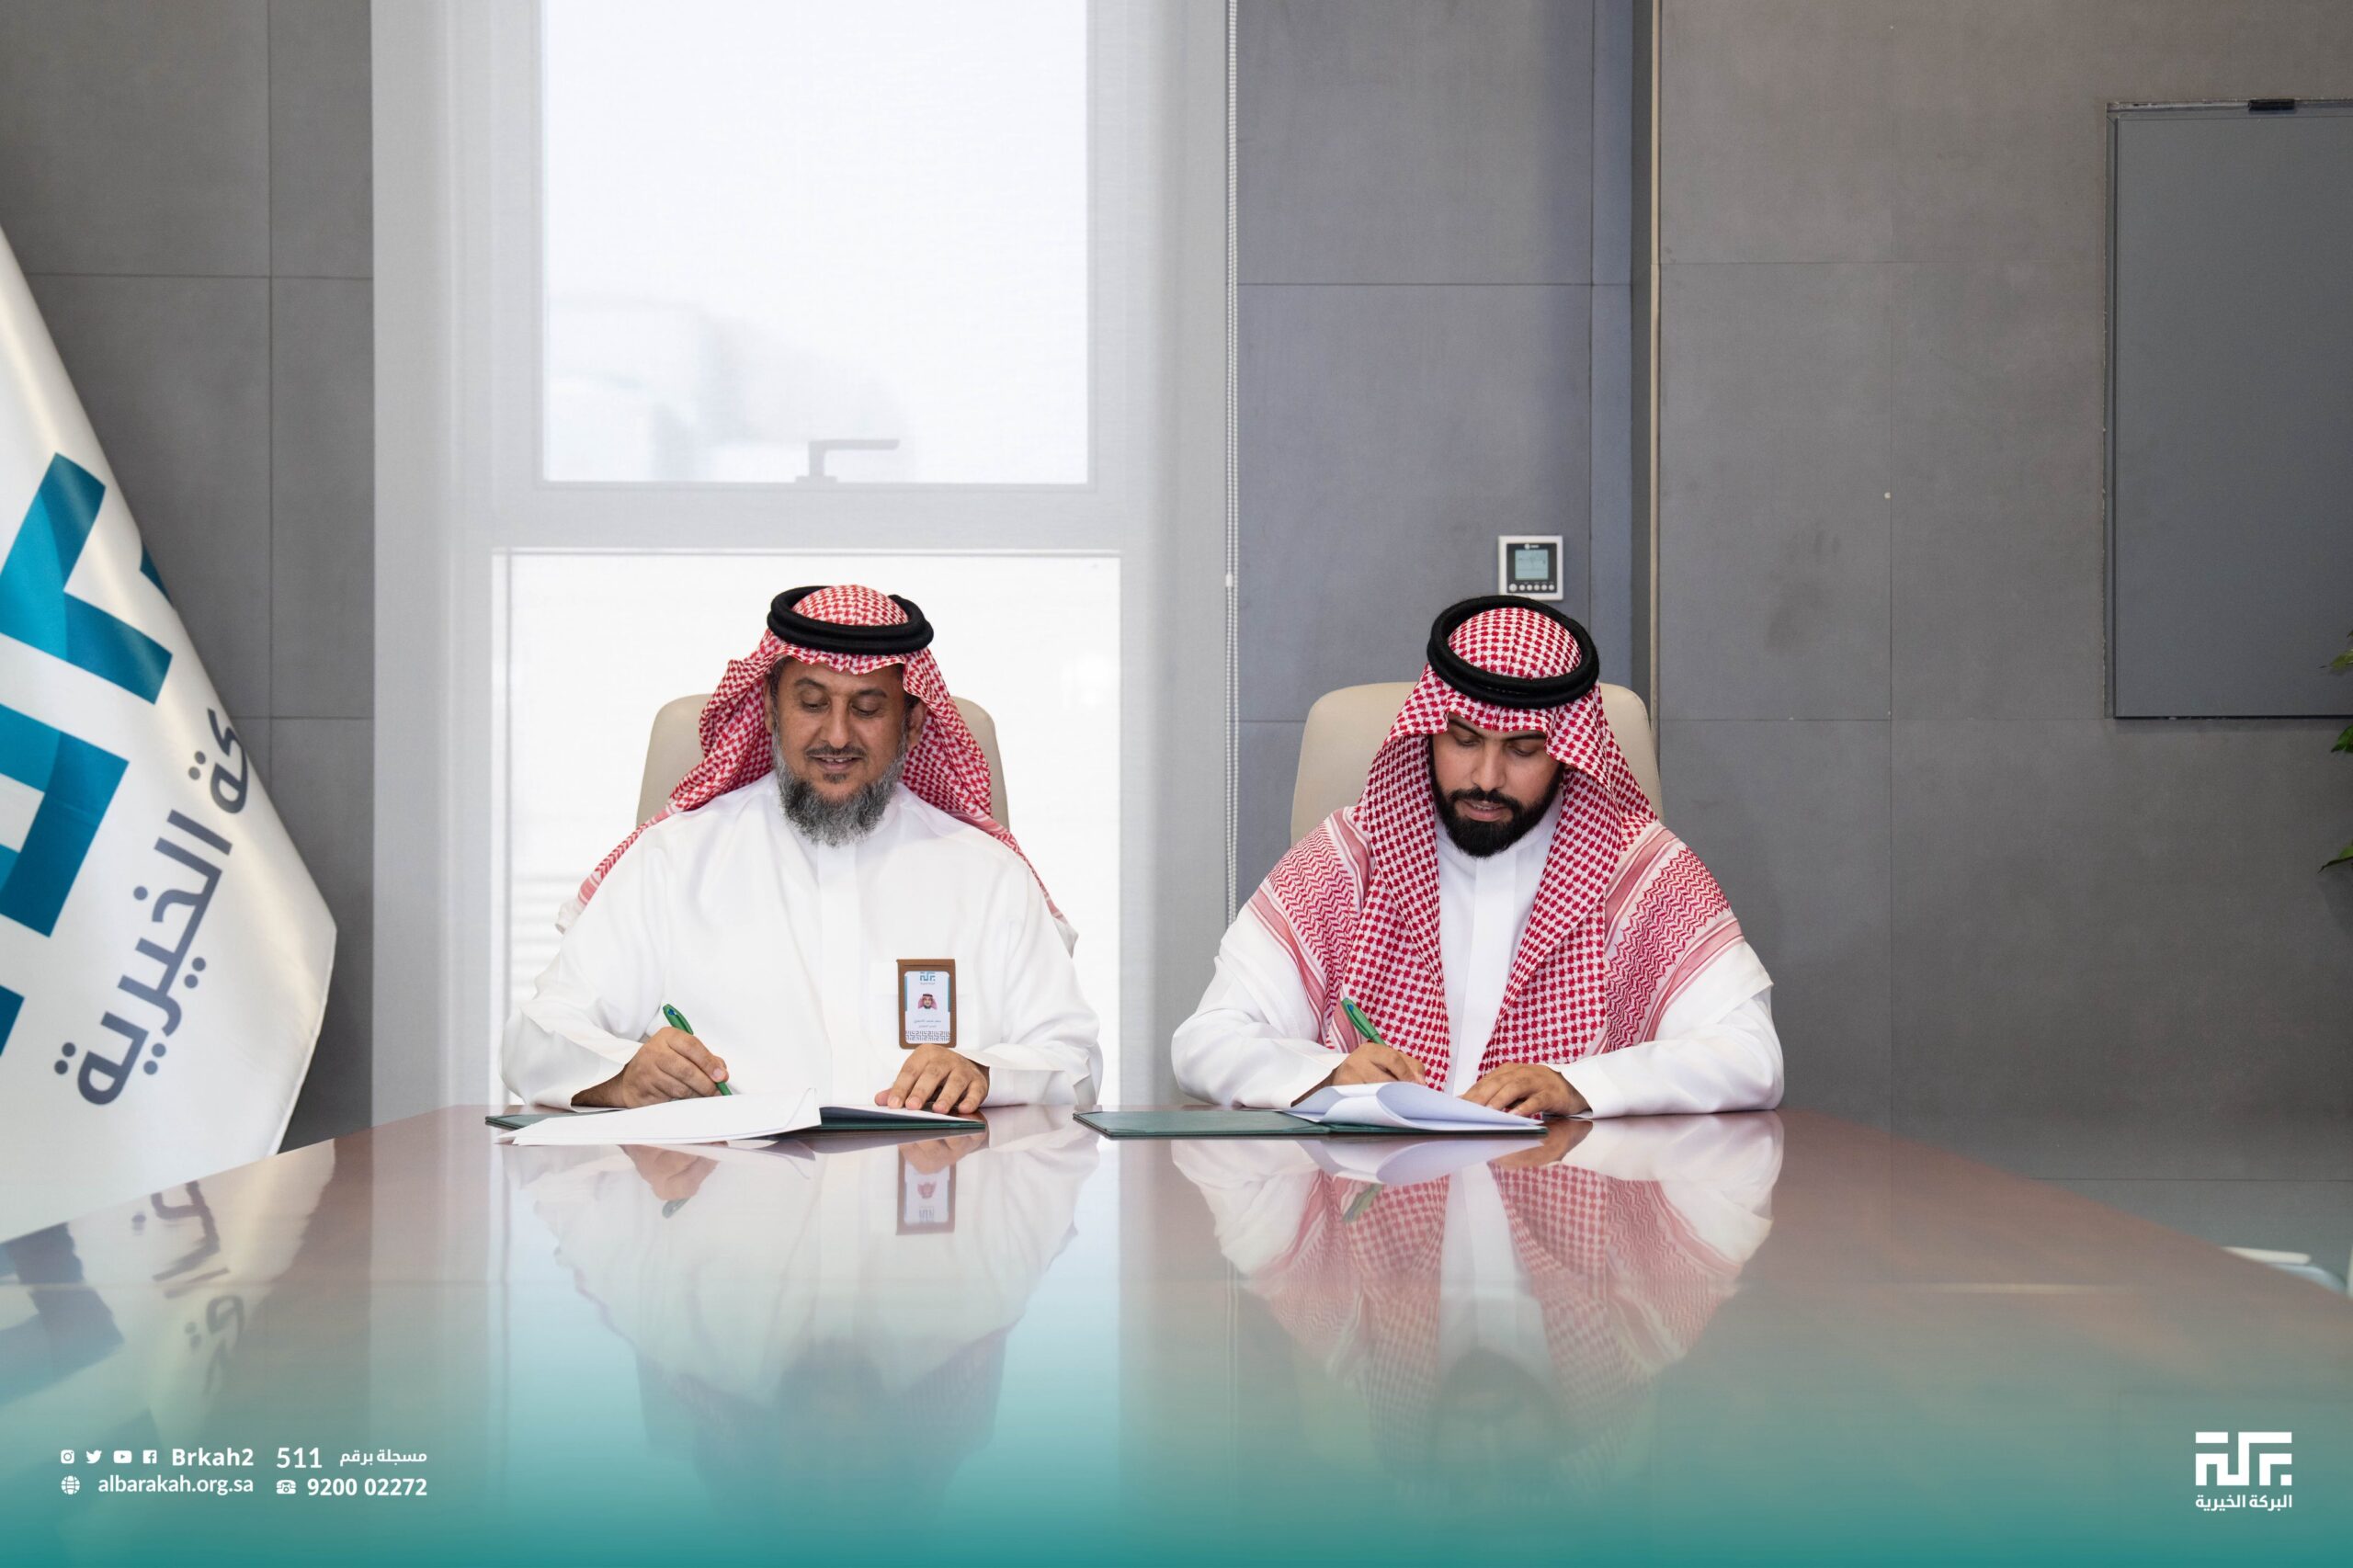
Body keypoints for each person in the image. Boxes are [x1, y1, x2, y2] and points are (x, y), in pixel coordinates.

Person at [1174, 595, 1780, 1118]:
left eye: (1522, 750)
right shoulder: (1350, 859)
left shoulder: (1640, 873)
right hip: (1372, 1198)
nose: (1486, 778)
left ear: (1566, 752)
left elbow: (1751, 1057)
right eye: (1463, 740)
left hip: (1569, 1194)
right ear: (1429, 732)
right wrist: (1327, 1074)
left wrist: (1579, 1085)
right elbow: (1205, 1043)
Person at [502, 585, 1099, 1112]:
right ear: (769, 709)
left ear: (913, 723)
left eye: (868, 709)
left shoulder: (988, 876)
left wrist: (985, 1074)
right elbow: (536, 1035)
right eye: (812, 704)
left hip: (929, 1194)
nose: (837, 735)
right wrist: (624, 1074)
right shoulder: (675, 860)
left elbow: (1073, 1061)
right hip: (722, 1194)